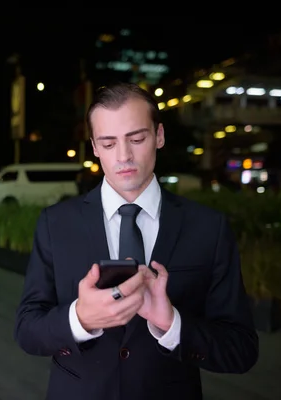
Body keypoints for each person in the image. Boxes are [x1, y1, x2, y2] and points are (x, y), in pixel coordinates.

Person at [14, 83, 259, 400]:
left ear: (159, 136)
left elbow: (241, 349)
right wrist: (80, 319)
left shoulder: (208, 228)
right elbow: (27, 329)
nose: (124, 156)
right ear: (95, 147)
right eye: (109, 142)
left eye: (137, 138)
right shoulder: (55, 223)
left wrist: (172, 324)